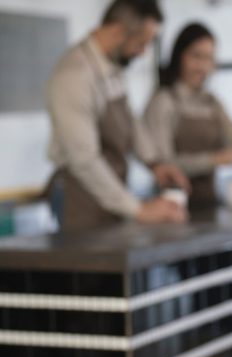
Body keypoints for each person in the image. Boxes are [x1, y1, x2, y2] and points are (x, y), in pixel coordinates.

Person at [46, 0, 190, 232]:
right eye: (140, 43)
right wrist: (139, 210)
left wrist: (155, 164)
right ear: (116, 31)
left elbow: (129, 122)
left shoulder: (111, 68)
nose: (142, 53)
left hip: (111, 194)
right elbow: (84, 160)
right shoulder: (74, 76)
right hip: (79, 197)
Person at [144, 23, 232, 208]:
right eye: (196, 56)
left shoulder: (211, 103)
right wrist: (215, 160)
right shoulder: (164, 101)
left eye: (208, 59)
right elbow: (164, 164)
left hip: (209, 205)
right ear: (179, 56)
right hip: (171, 205)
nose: (202, 66)